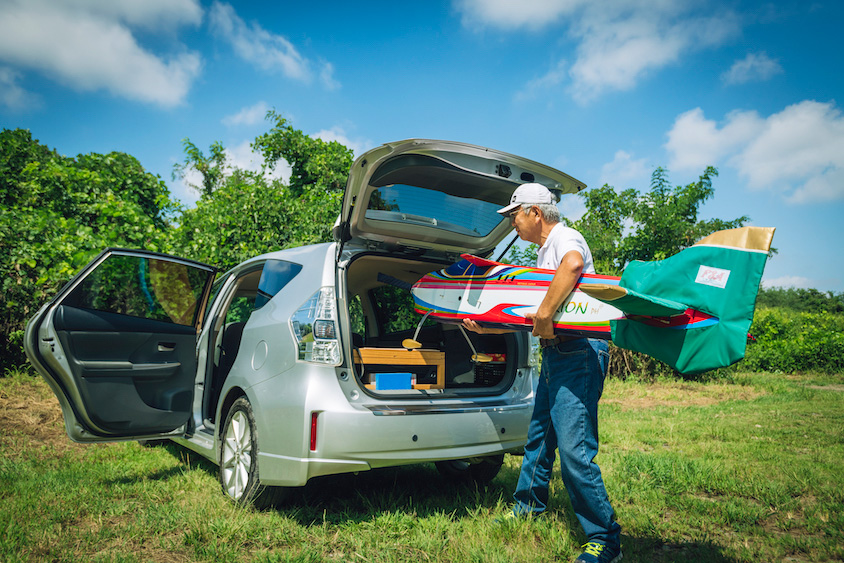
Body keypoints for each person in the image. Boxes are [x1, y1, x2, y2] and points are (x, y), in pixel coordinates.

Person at [463, 183, 622, 563]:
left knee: (574, 450)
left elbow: (573, 267)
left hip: (579, 352)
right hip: (556, 353)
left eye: (514, 215)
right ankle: (527, 509)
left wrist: (547, 313)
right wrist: (489, 327)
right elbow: (535, 315)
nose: (512, 223)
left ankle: (605, 538)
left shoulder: (565, 238)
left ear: (534, 212)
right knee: (539, 438)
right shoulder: (542, 252)